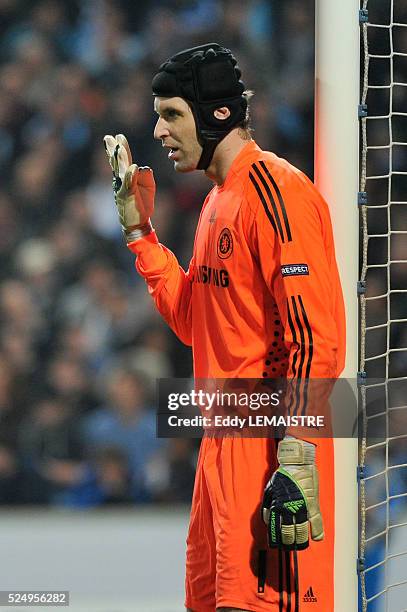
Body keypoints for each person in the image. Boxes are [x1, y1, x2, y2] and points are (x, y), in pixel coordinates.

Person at [104, 43, 345, 612]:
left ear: (216, 114)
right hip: (220, 450)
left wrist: (297, 455)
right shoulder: (217, 202)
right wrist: (142, 236)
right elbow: (195, 321)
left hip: (269, 453)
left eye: (171, 114)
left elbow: (317, 337)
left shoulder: (277, 192)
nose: (159, 131)